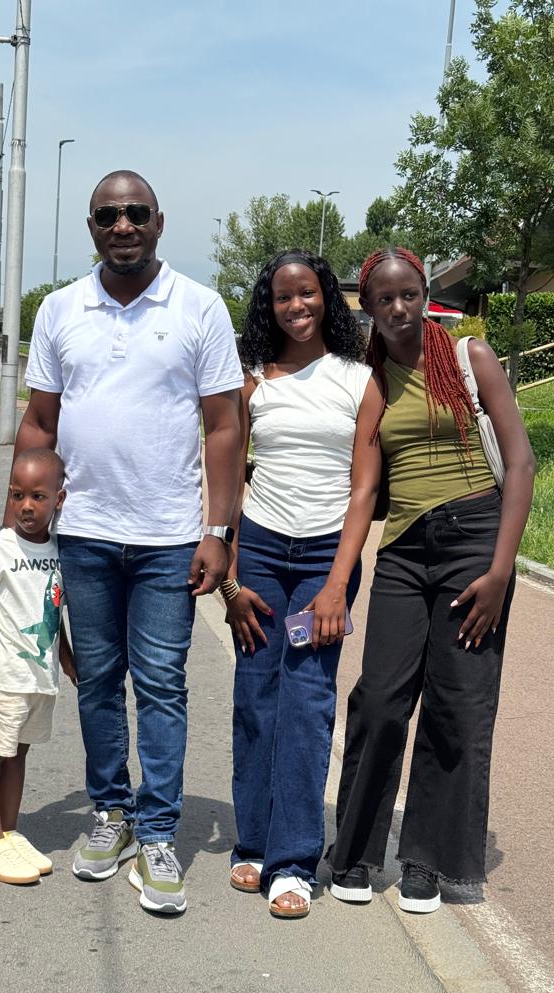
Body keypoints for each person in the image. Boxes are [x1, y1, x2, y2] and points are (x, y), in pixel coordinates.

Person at [11, 169, 244, 914]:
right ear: (92, 227)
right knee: (98, 684)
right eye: (108, 215)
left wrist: (218, 532)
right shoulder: (59, 310)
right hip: (83, 535)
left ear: (159, 221)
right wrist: (20, 525)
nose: (122, 226)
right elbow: (41, 422)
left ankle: (160, 830)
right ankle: (109, 813)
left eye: (135, 213)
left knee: (163, 685)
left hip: (168, 538)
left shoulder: (200, 308)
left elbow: (224, 425)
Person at [328, 247, 535, 913]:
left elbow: (523, 465)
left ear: (425, 294)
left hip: (474, 540)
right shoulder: (374, 377)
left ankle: (427, 861)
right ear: (368, 305)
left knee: (458, 706)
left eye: (409, 294)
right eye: (383, 298)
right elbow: (363, 491)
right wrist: (339, 577)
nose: (397, 308)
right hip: (406, 553)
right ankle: (356, 851)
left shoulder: (472, 359)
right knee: (382, 699)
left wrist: (500, 573)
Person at [222, 250, 384, 918]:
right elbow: (228, 480)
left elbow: (365, 486)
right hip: (259, 550)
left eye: (309, 294)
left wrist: (337, 584)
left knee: (309, 699)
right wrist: (231, 581)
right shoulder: (253, 381)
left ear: (328, 299)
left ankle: (293, 863)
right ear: (270, 303)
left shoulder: (358, 380)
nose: (297, 306)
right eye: (284, 296)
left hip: (323, 558)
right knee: (256, 696)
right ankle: (253, 846)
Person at [0, 447, 76, 885]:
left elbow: (55, 614)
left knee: (19, 753)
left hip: (39, 679)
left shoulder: (59, 550)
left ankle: (9, 831)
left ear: (58, 500)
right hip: (3, 677)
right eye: (17, 495)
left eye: (38, 497)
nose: (26, 506)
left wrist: (66, 660)